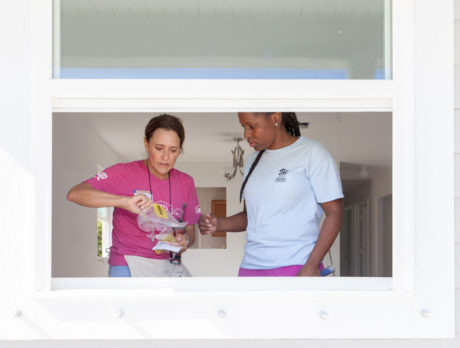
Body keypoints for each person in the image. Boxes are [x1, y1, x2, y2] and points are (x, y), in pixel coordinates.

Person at [199, 112, 344, 277]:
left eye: (252, 126)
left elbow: (335, 211)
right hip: (251, 267)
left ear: (275, 118)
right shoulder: (252, 161)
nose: (246, 134)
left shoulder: (312, 153)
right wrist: (218, 224)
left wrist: (313, 264)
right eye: (243, 127)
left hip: (297, 266)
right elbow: (251, 216)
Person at [67, 114, 201, 277]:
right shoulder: (124, 172)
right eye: (158, 148)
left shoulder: (186, 182)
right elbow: (75, 193)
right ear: (146, 144)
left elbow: (190, 230)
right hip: (127, 263)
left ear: (180, 149)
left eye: (173, 150)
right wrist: (123, 202)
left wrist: (185, 240)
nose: (165, 157)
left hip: (168, 264)